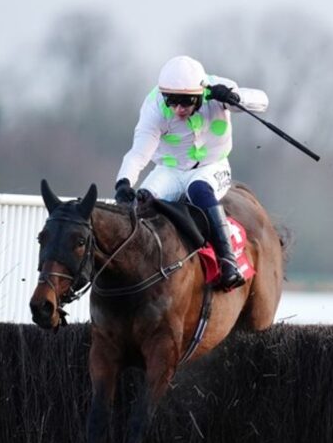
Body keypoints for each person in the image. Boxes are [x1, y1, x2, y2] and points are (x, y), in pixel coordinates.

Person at [114, 55, 269, 290]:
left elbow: (263, 101)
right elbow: (138, 153)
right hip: (170, 170)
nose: (178, 109)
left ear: (199, 94)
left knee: (199, 190)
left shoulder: (216, 90)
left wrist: (235, 97)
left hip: (212, 166)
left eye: (186, 102)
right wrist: (123, 182)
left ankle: (228, 261)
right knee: (142, 201)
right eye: (172, 101)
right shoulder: (154, 107)